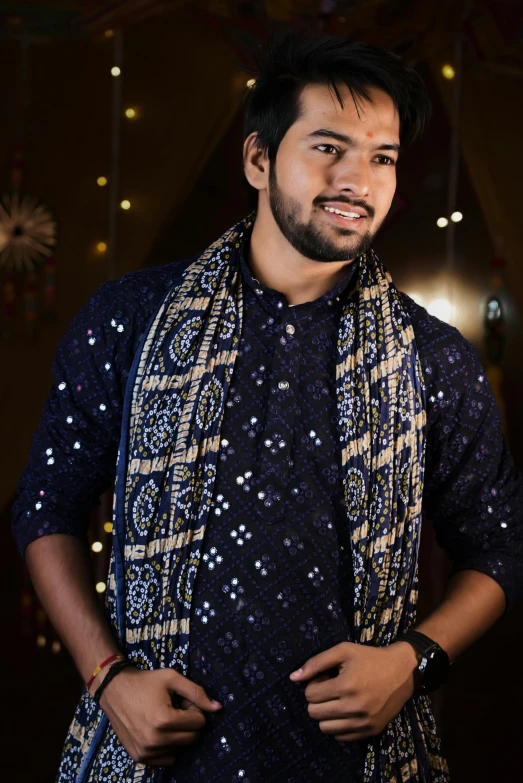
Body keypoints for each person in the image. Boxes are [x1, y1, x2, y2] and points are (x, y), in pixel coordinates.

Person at [13, 33, 523, 783]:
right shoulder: (132, 316)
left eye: (381, 157)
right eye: (329, 147)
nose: (359, 179)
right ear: (258, 159)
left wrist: (411, 662)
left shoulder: (430, 355)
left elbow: (500, 546)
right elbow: (45, 508)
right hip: (155, 751)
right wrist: (107, 677)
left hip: (356, 760)